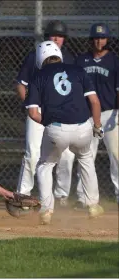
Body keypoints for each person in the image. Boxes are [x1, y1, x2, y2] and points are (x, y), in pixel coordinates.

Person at [25, 40, 104, 224]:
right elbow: (95, 102)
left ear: (40, 59)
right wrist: (97, 126)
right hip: (83, 127)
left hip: (57, 129)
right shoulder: (78, 70)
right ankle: (93, 205)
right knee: (85, 159)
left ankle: (46, 211)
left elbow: (32, 112)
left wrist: (47, 122)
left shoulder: (37, 77)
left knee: (45, 165)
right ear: (59, 55)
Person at [16, 20, 75, 206]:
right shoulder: (34, 57)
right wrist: (29, 104)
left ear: (64, 39)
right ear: (46, 38)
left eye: (60, 36)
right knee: (32, 152)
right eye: (53, 35)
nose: (56, 38)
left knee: (67, 154)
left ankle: (61, 195)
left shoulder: (69, 59)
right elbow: (21, 84)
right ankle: (23, 195)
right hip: (38, 109)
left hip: (60, 111)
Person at [73, 23, 119, 208]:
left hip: (110, 113)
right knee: (85, 156)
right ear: (91, 40)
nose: (99, 41)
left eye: (102, 38)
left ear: (108, 40)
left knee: (116, 155)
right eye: (96, 38)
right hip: (86, 114)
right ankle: (83, 198)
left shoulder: (115, 61)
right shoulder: (81, 61)